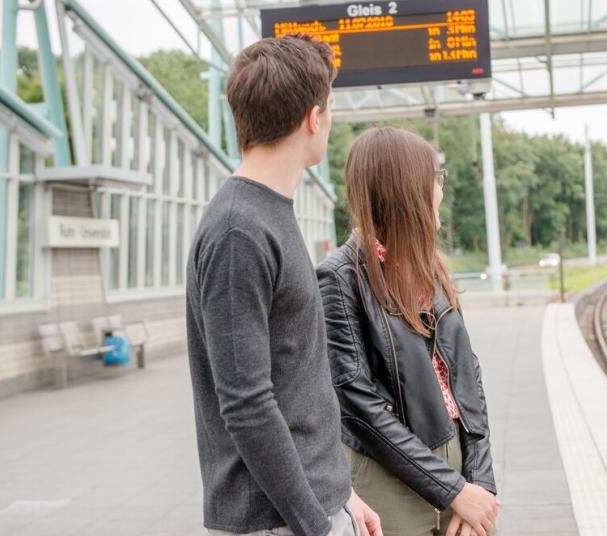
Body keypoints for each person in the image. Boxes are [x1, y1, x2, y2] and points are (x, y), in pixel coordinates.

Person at [185, 34, 381, 536]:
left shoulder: (268, 213)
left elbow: (296, 378)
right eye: (330, 108)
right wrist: (316, 524)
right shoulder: (238, 232)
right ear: (313, 117)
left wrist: (343, 493)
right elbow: (247, 404)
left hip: (312, 506)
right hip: (276, 521)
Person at [316, 127, 499, 536]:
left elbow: (468, 378)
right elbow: (359, 406)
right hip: (388, 480)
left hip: (458, 468)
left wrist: (481, 484)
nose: (440, 188)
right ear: (407, 188)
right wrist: (455, 490)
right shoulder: (339, 279)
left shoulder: (429, 268)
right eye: (436, 177)